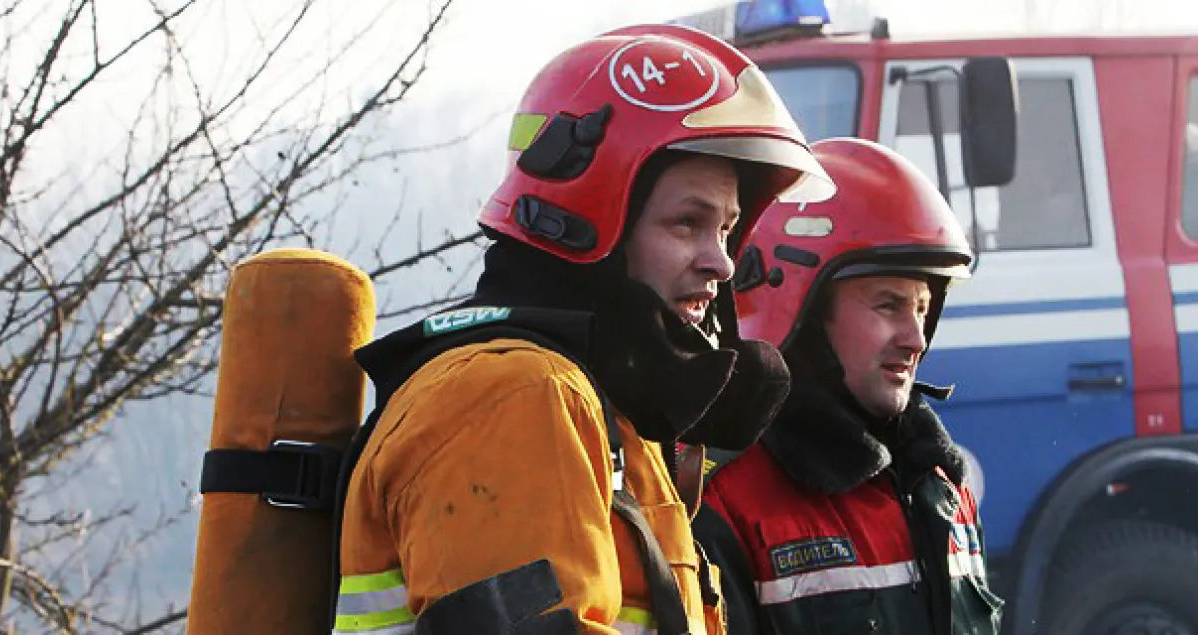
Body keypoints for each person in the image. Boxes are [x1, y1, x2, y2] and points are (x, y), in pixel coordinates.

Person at [333, 24, 835, 635]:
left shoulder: (605, 408)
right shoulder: (513, 396)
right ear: (585, 219)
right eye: (686, 223)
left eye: (727, 229)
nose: (722, 262)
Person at [696, 137, 1003, 635]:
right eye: (888, 305)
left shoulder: (942, 486)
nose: (915, 339)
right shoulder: (724, 498)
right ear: (804, 315)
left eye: (923, 309)